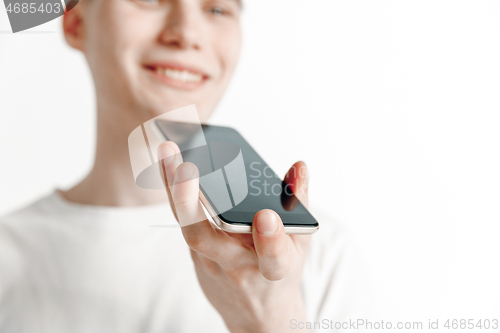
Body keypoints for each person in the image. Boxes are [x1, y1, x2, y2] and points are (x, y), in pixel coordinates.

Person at [0, 0, 369, 332]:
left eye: (217, 9)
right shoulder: (8, 255)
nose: (187, 34)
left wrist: (266, 321)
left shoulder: (319, 254)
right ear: (74, 23)